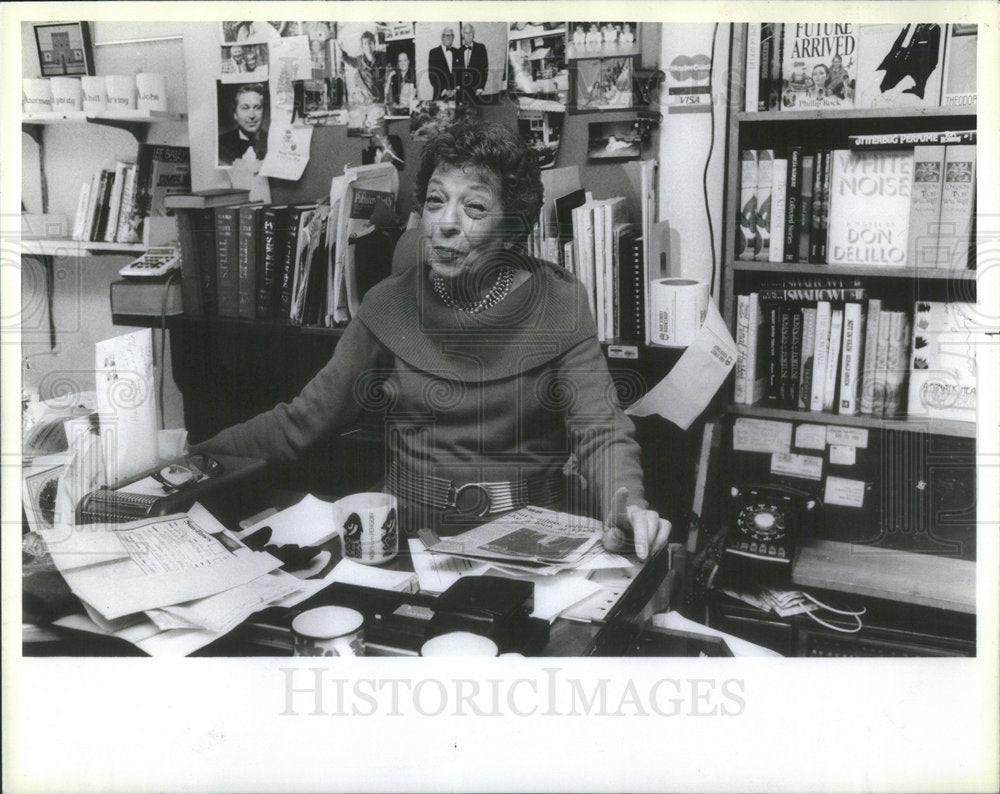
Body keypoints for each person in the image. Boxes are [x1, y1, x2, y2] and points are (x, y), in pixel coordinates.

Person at [198, 122, 670, 559]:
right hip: (407, 539)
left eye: (475, 207)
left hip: (531, 539)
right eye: (436, 201)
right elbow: (301, 422)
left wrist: (627, 505)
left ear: (514, 226)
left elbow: (601, 429)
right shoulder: (389, 304)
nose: (446, 223)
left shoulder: (561, 303)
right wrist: (189, 461)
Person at [218, 83, 267, 166]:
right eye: (245, 108)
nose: (252, 115)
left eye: (257, 108)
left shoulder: (274, 141)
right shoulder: (220, 145)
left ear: (264, 112)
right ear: (235, 114)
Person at [337, 30, 386, 104]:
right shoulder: (359, 61)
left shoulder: (382, 56)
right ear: (362, 47)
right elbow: (346, 58)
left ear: (374, 44)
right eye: (365, 44)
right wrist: (340, 48)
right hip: (368, 100)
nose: (368, 46)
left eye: (370, 43)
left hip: (383, 98)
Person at [454, 23, 489, 104]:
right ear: (463, 35)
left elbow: (485, 69)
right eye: (466, 33)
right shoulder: (458, 51)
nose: (468, 35)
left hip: (476, 90)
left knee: (477, 114)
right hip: (462, 91)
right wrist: (457, 86)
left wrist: (481, 87)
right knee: (462, 114)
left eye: (470, 33)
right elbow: (456, 71)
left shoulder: (481, 48)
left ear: (473, 34)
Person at [427, 27, 457, 100]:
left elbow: (460, 73)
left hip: (456, 95)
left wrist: (455, 90)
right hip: (440, 95)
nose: (448, 38)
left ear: (453, 38)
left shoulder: (457, 52)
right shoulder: (434, 53)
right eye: (446, 35)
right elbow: (432, 76)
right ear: (442, 37)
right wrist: (445, 91)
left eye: (451, 36)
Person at [385, 50, 416, 115]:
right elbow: (386, 92)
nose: (403, 63)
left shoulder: (414, 75)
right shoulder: (395, 75)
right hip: (396, 110)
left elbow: (415, 95)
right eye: (400, 61)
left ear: (408, 62)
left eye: (405, 60)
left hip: (410, 109)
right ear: (398, 63)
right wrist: (389, 77)